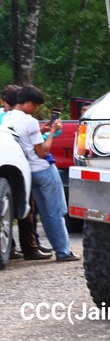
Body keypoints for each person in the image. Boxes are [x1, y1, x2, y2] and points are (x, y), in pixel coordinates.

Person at [4, 85, 79, 262]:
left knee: (45, 213)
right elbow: (43, 152)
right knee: (56, 211)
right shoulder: (29, 121)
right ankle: (63, 252)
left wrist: (43, 131)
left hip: (28, 172)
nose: (36, 109)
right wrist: (52, 131)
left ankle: (60, 249)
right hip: (44, 170)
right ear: (29, 103)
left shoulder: (8, 117)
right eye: (35, 105)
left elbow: (26, 140)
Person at [0, 84, 51, 261]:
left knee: (16, 208)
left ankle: (15, 247)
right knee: (26, 209)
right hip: (19, 166)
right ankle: (28, 247)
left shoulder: (7, 117)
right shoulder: (14, 118)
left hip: (13, 165)